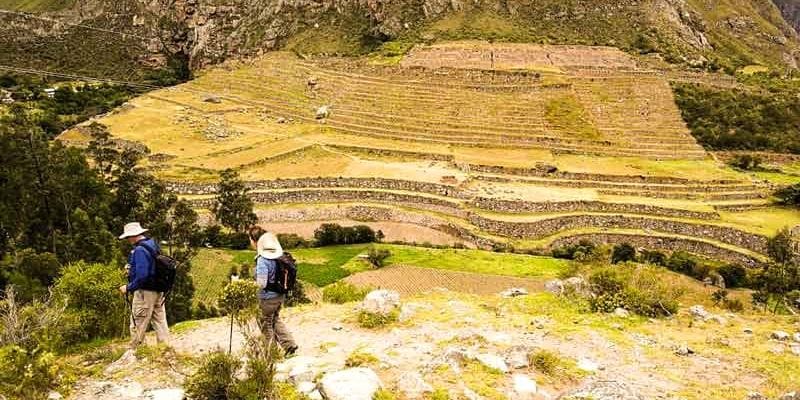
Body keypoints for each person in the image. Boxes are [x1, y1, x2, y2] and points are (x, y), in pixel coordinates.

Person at [118, 222, 170, 348]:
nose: (127, 240)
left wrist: (128, 287)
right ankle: (165, 349)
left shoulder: (139, 250)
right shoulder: (152, 244)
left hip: (145, 292)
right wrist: (132, 267)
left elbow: (143, 275)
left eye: (127, 237)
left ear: (132, 236)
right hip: (159, 290)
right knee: (160, 321)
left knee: (138, 321)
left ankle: (137, 350)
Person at [248, 226, 297, 356]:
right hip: (279, 296)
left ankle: (272, 353)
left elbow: (262, 283)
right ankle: (290, 345)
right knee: (274, 319)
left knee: (265, 324)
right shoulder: (278, 256)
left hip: (267, 299)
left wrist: (247, 286)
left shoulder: (262, 260)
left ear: (255, 241)